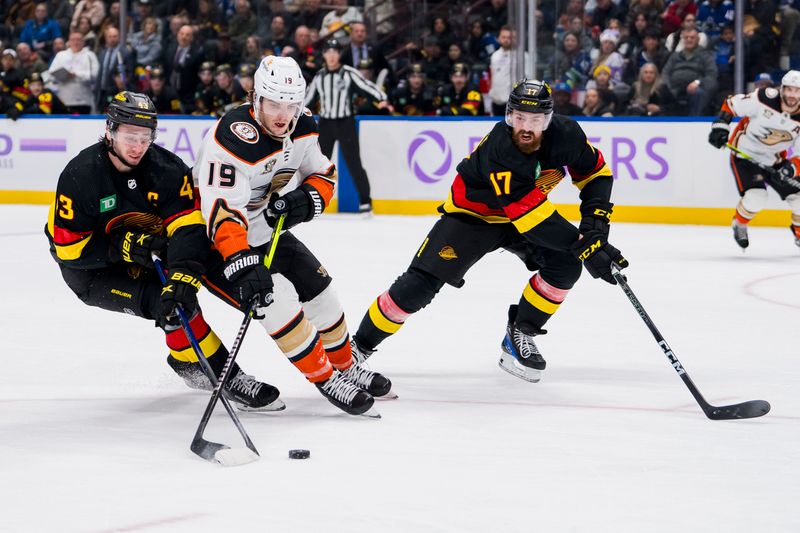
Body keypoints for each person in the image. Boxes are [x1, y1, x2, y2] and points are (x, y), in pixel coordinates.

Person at [349, 80, 628, 384]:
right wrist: (587, 246)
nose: (525, 127)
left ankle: (521, 330)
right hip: (473, 217)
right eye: (519, 117)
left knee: (565, 265)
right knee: (418, 287)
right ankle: (355, 349)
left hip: (522, 214)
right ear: (509, 116)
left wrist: (595, 225)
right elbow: (532, 220)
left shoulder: (567, 135)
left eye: (535, 120)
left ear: (548, 120)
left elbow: (596, 173)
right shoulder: (502, 148)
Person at [44, 91, 282, 411]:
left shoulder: (166, 169)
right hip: (92, 272)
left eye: (145, 137)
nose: (138, 146)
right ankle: (229, 378)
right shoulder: (81, 176)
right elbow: (69, 252)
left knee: (180, 299)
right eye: (130, 136)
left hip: (149, 252)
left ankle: (186, 364)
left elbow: (188, 228)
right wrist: (125, 247)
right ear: (110, 130)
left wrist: (184, 271)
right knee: (164, 304)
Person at [193, 56, 392, 417]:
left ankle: (346, 367)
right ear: (256, 99)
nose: (283, 115)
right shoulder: (230, 137)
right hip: (217, 244)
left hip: (266, 227)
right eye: (274, 104)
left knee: (322, 292)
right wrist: (240, 259)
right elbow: (222, 212)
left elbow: (323, 174)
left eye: (291, 104)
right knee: (277, 301)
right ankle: (326, 378)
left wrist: (309, 197)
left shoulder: (303, 127)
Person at [708, 70, 800, 249]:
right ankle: (740, 224)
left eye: (797, 91)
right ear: (782, 89)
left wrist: (791, 169)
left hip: (774, 160)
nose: (792, 95)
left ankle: (798, 232)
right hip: (745, 155)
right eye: (789, 89)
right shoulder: (763, 98)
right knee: (756, 197)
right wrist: (720, 126)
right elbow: (731, 104)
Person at [305, 38, 388, 214]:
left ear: (339, 55)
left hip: (345, 123)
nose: (332, 56)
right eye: (329, 52)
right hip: (326, 124)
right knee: (319, 165)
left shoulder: (349, 73)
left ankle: (366, 202)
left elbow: (366, 86)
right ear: (324, 55)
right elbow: (308, 99)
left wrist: (381, 98)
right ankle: (314, 201)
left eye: (335, 52)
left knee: (354, 163)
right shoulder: (320, 76)